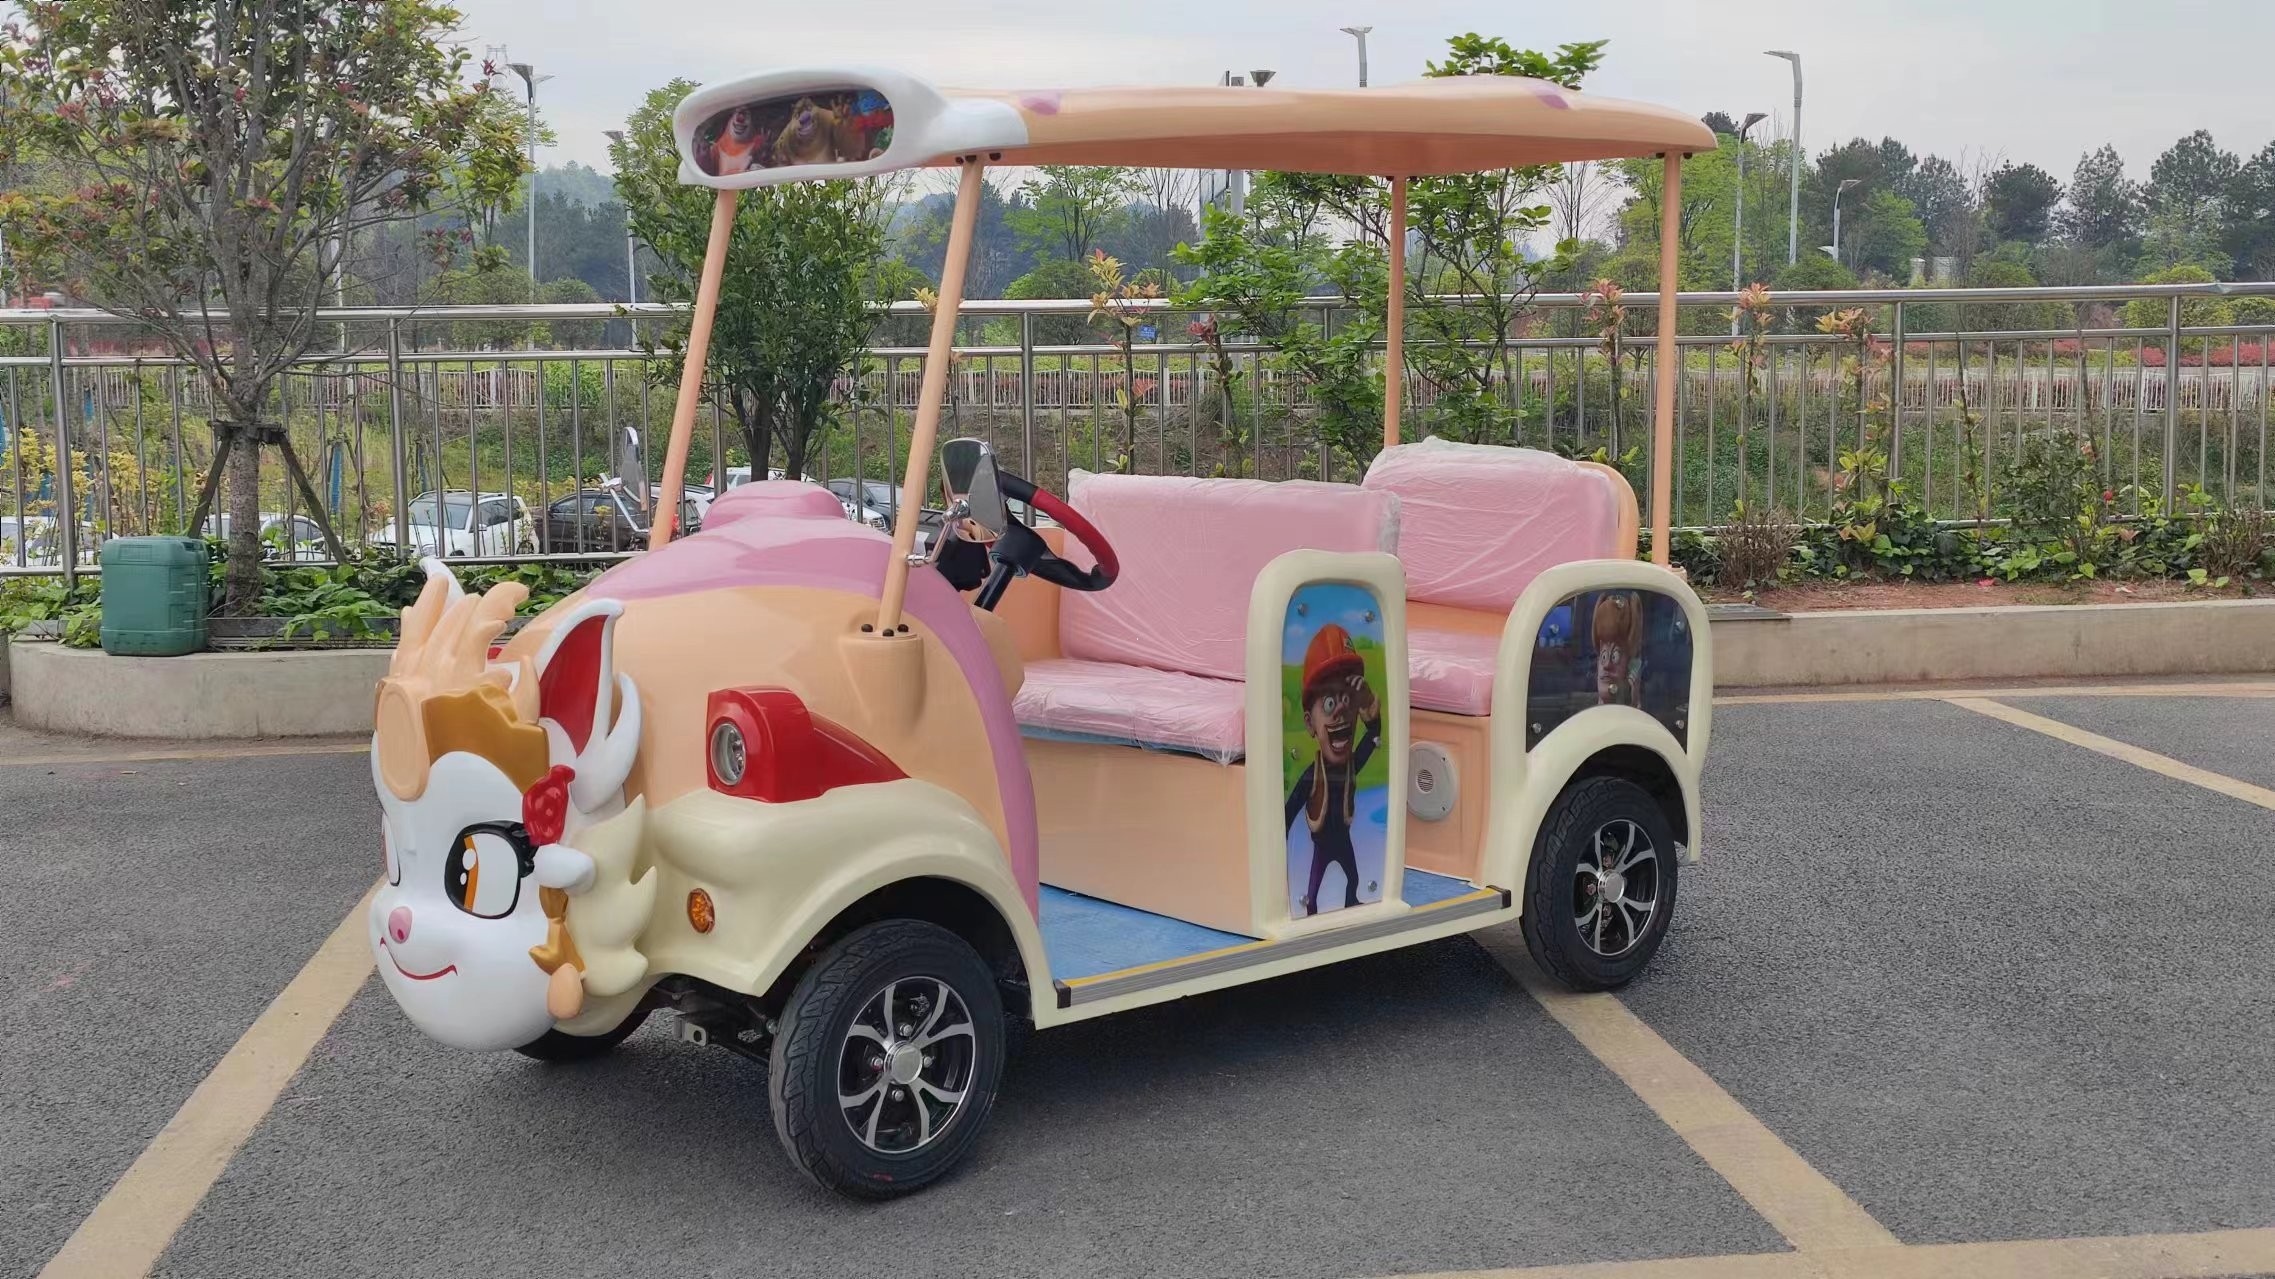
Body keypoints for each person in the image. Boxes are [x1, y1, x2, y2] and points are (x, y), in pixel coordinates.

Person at [1285, 624, 1382, 916]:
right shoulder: (1312, 775)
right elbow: (1288, 812)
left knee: (1353, 878)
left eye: (1347, 700)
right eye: (1329, 703)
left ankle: (1351, 901)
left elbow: (1373, 739)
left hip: (1344, 840)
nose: (1340, 710)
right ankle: (1311, 914)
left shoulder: (1351, 764)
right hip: (1323, 844)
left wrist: (1371, 713)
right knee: (1312, 892)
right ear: (1309, 723)